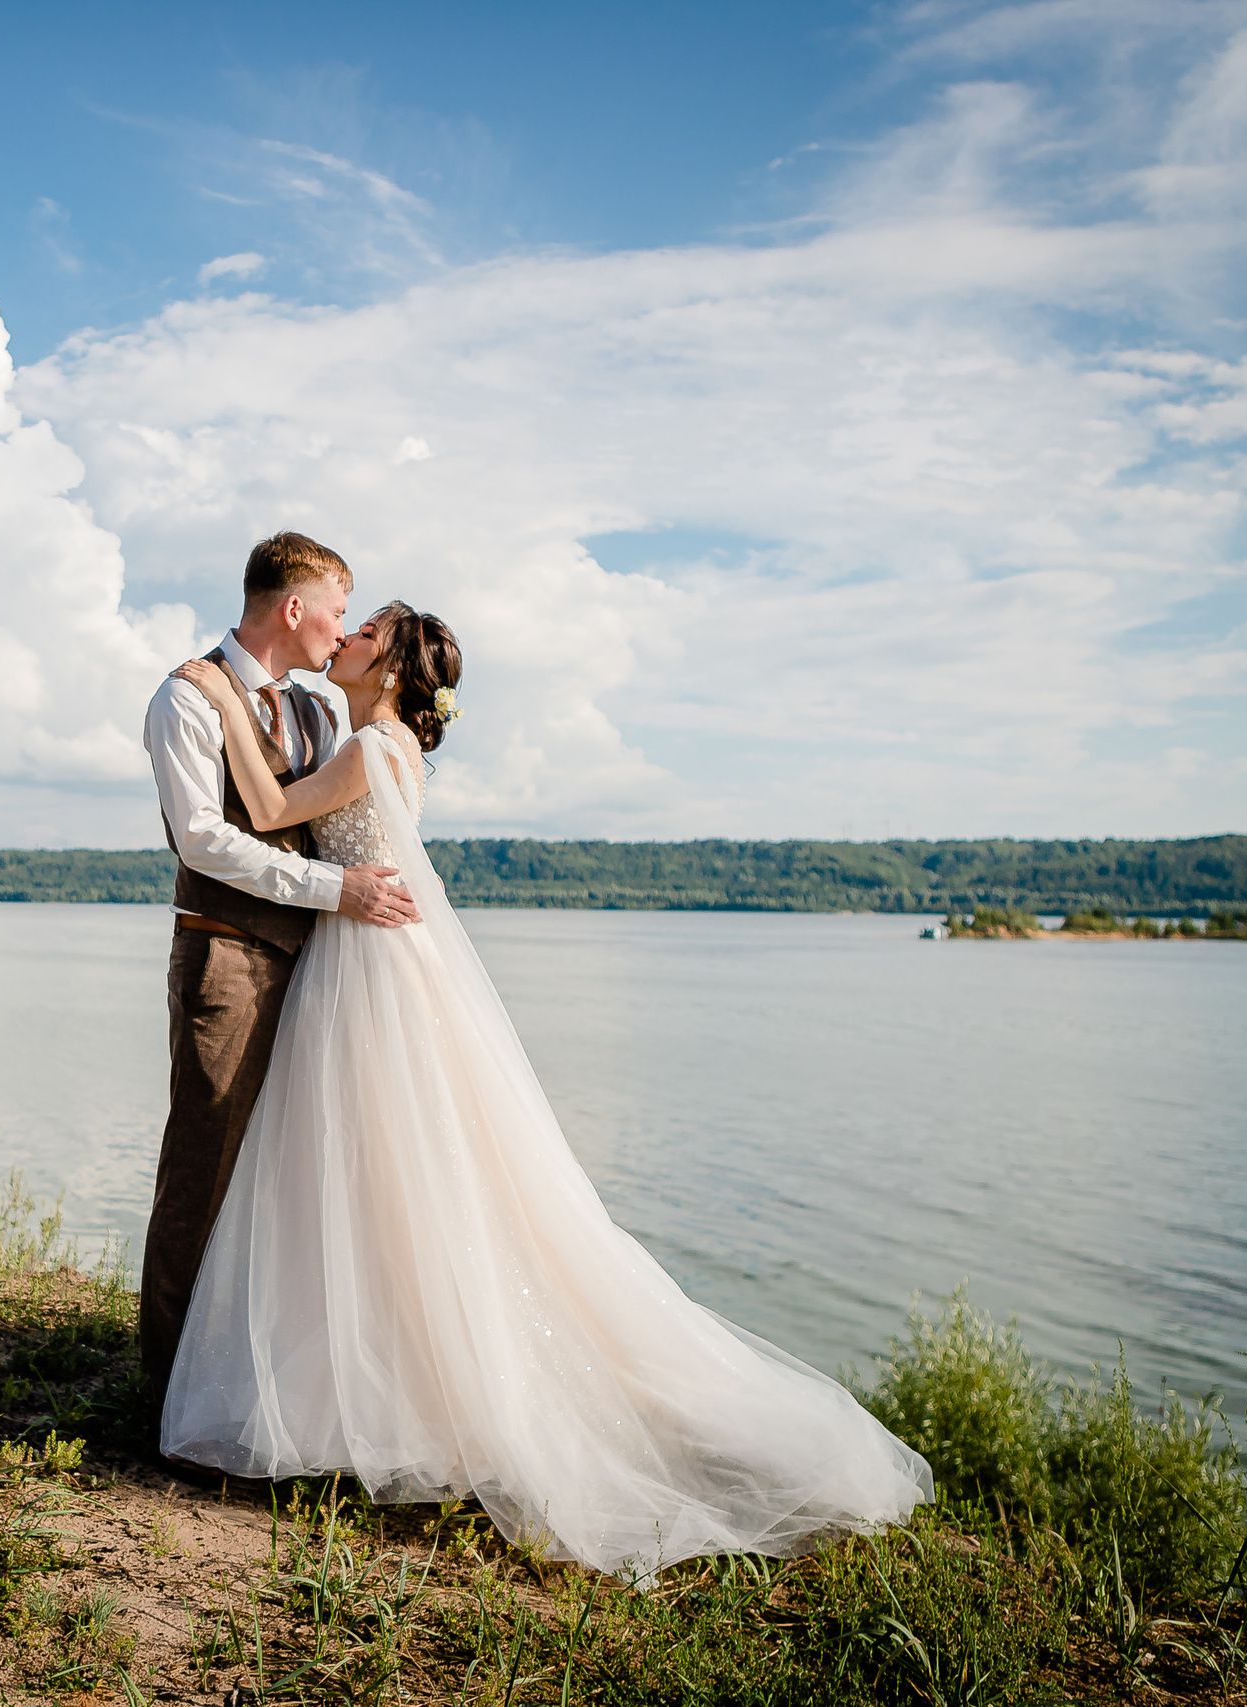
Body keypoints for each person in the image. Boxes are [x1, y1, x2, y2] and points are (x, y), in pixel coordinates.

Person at [157, 600, 934, 1580]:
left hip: (368, 971)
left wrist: (215, 694)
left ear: (389, 668)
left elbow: (269, 813)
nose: (346, 639)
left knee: (374, 1175)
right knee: (382, 1182)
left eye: (366, 633)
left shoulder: (370, 747)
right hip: (365, 960)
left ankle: (385, 1390)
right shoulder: (382, 744)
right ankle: (365, 1383)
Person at [139, 532, 420, 1408]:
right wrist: (335, 890)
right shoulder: (187, 697)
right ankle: (166, 1391)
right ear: (294, 608)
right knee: (205, 1167)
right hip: (226, 956)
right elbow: (204, 839)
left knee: (285, 1176)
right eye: (339, 610)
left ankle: (245, 1375)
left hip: (318, 973)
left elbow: (312, 819)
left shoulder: (320, 716)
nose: (341, 628)